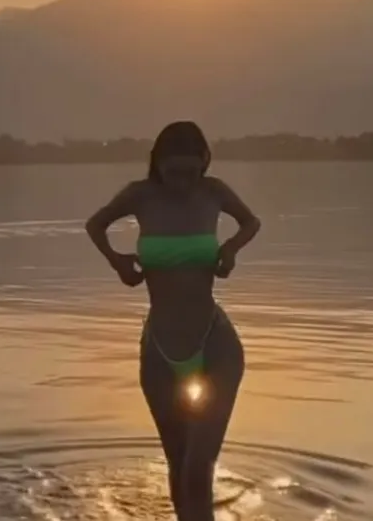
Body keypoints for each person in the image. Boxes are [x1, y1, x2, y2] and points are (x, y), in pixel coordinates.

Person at [86, 121, 261, 521]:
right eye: (173, 172)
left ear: (203, 162)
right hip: (159, 351)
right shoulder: (140, 195)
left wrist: (230, 249)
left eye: (191, 170)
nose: (183, 181)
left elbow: (251, 222)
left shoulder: (213, 192)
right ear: (157, 165)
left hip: (215, 346)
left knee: (198, 469)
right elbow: (95, 224)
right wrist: (117, 262)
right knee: (178, 464)